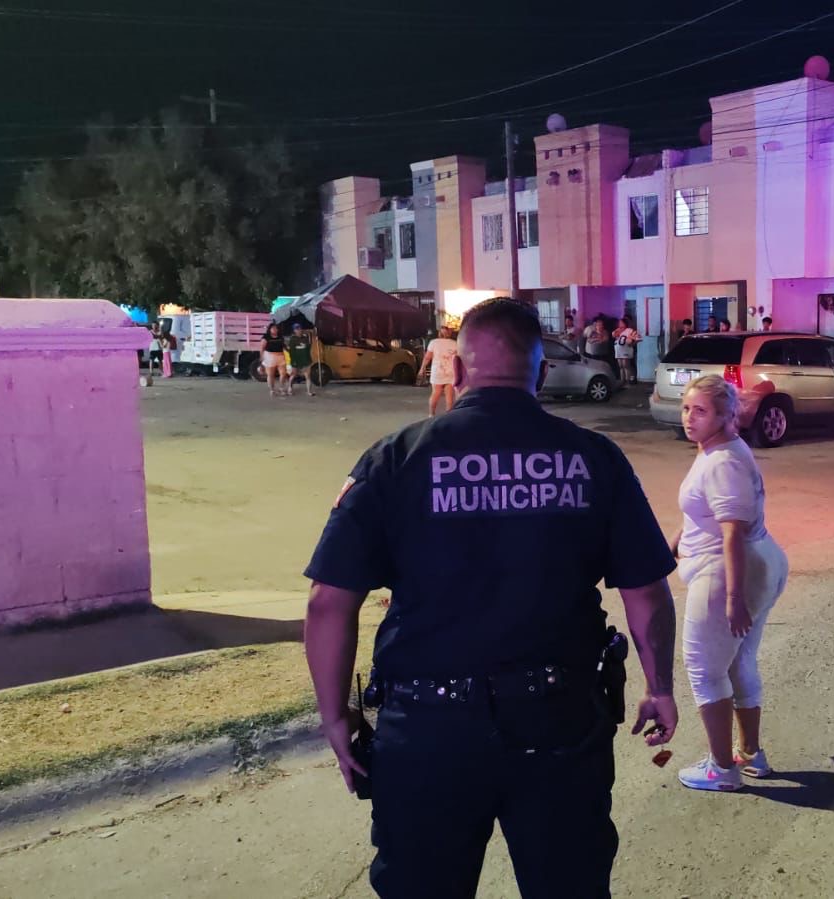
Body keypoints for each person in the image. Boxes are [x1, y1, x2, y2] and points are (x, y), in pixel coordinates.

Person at [304, 298, 679, 898]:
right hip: (559, 724)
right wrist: (659, 687)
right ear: (541, 370)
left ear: (459, 366)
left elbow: (328, 602)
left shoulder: (396, 458)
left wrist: (334, 716)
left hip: (428, 732)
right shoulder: (593, 459)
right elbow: (647, 593)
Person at [671, 374, 789, 792]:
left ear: (726, 415)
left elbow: (732, 533)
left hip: (728, 573)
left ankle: (722, 769)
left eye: (701, 411)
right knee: (739, 662)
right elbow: (703, 513)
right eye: (686, 408)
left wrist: (734, 598)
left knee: (704, 669)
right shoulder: (719, 449)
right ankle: (750, 754)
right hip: (755, 564)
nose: (689, 418)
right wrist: (674, 543)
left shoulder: (722, 461)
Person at [419, 325, 460, 416]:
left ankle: (431, 414)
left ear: (439, 333)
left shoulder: (433, 343)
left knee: (435, 393)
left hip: (437, 371)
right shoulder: (455, 343)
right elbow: (458, 359)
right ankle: (448, 417)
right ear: (450, 333)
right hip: (450, 372)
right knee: (449, 396)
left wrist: (422, 369)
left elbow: (427, 357)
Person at [286, 323, 317, 397]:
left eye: (299, 328)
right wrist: (293, 361)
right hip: (296, 360)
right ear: (294, 330)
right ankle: (290, 388)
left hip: (306, 360)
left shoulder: (305, 338)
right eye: (297, 329)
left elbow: (308, 347)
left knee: (308, 375)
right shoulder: (292, 339)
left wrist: (309, 358)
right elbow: (291, 352)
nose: (299, 330)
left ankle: (309, 391)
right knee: (293, 374)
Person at [261, 323, 288, 397]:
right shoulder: (266, 337)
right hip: (270, 356)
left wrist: (288, 350)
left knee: (283, 373)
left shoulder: (280, 336)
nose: (275, 330)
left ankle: (281, 388)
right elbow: (262, 348)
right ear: (269, 329)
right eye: (273, 328)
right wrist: (262, 359)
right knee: (270, 375)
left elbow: (284, 346)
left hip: (280, 356)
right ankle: (272, 390)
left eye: (276, 328)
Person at [613, 315, 642, 386]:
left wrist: (632, 344)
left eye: (621, 323)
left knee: (626, 366)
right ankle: (622, 381)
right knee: (621, 366)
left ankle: (627, 381)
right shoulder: (618, 330)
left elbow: (638, 338)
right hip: (618, 350)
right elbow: (614, 336)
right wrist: (617, 332)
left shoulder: (629, 330)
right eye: (619, 323)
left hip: (626, 350)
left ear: (625, 323)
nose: (620, 324)